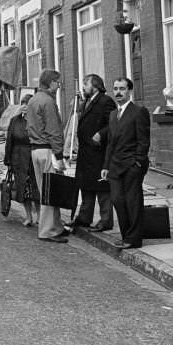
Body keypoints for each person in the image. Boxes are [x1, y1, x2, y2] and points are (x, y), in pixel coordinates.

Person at [100, 77, 151, 250]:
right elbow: (110, 143)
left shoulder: (139, 111)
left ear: (129, 91)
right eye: (115, 89)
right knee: (117, 200)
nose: (118, 92)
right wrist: (105, 166)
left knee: (133, 201)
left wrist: (138, 163)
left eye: (122, 89)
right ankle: (125, 235)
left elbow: (144, 141)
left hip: (131, 165)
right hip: (115, 166)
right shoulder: (113, 114)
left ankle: (134, 238)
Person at [26, 69, 69, 243]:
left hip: (35, 149)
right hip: (48, 151)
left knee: (49, 190)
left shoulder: (33, 99)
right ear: (51, 83)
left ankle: (56, 226)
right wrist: (59, 155)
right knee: (50, 192)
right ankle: (47, 231)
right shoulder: (49, 102)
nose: (59, 86)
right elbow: (54, 130)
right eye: (58, 82)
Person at [73, 74, 116, 231]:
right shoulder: (86, 102)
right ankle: (84, 217)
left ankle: (106, 220)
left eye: (86, 84)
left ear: (95, 86)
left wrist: (101, 134)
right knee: (86, 185)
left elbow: (113, 123)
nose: (83, 87)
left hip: (98, 151)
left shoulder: (106, 101)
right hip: (85, 152)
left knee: (102, 186)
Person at [4, 94, 39, 227]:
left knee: (35, 189)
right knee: (23, 190)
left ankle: (40, 216)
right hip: (18, 158)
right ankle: (28, 216)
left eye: (27, 103)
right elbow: (9, 140)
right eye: (22, 103)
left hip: (31, 157)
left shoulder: (36, 120)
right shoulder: (14, 120)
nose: (24, 106)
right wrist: (8, 160)